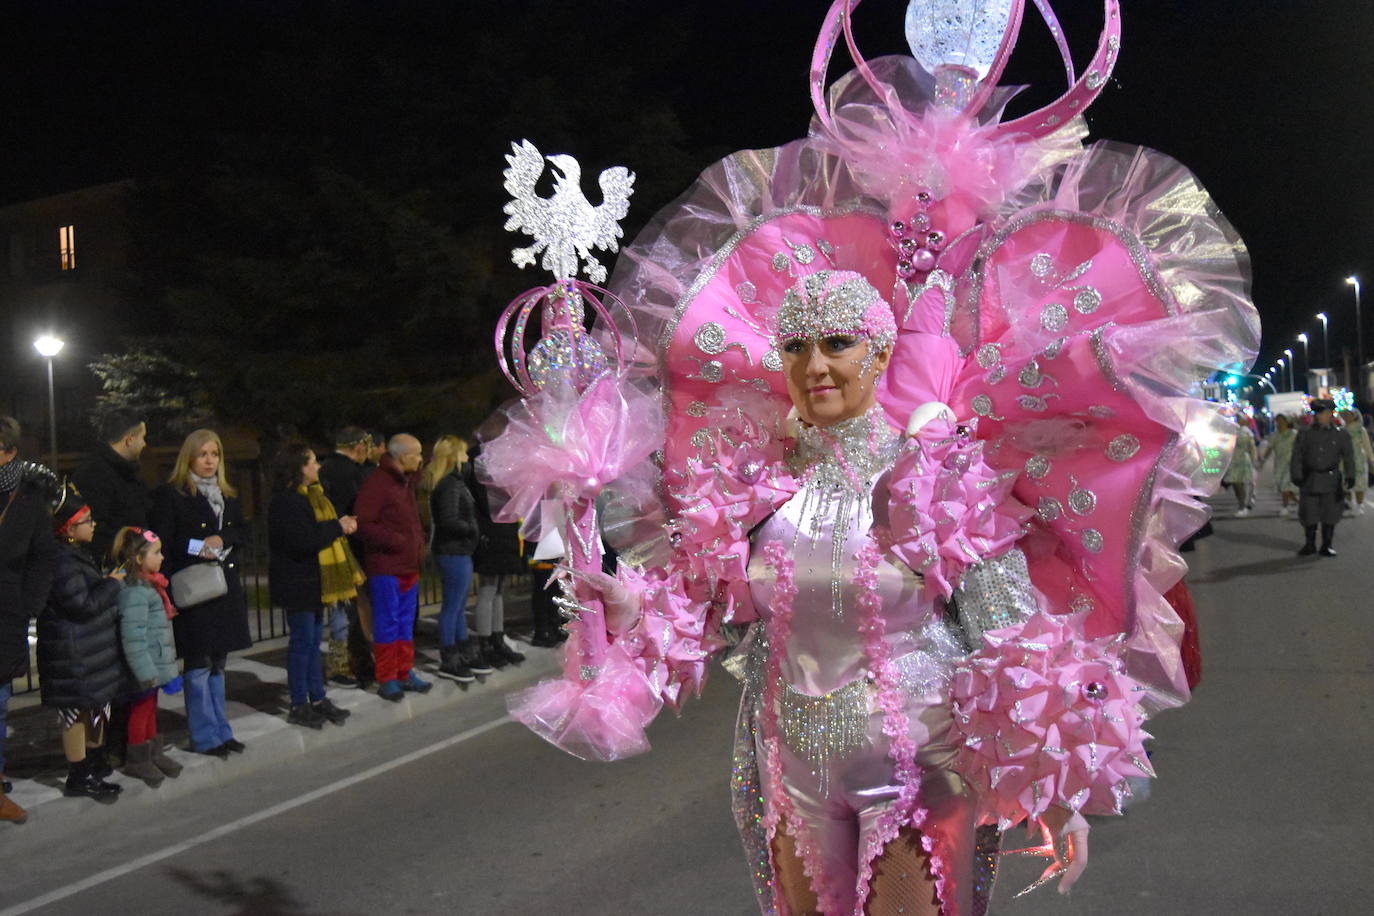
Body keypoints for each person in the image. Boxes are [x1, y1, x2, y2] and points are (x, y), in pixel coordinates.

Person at [492, 3, 1259, 911]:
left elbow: (1014, 631)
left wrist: (1062, 773)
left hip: (919, 766)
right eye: (799, 348)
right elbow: (704, 613)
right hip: (786, 762)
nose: (816, 366)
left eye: (839, 345)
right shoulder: (757, 484)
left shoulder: (939, 476)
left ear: (880, 350)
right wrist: (623, 605)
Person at [151, 429, 251, 756]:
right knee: (198, 664)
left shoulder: (227, 493)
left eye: (215, 454)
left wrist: (224, 541)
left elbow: (243, 530)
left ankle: (223, 731)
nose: (210, 461)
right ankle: (204, 736)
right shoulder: (173, 494)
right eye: (203, 454)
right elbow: (165, 541)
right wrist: (200, 547)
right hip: (196, 590)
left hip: (225, 589)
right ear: (189, 458)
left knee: (219, 663)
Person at [37, 485, 125, 800]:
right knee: (76, 714)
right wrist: (111, 585)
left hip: (88, 651)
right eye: (87, 520)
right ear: (70, 527)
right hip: (72, 654)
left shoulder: (74, 553)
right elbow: (81, 604)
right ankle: (79, 775)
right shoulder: (62, 560)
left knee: (93, 710)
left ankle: (93, 766)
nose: (94, 524)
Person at [268, 445, 359, 727]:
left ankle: (317, 698)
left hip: (314, 582)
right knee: (302, 644)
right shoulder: (287, 501)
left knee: (312, 642)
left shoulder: (310, 496)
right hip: (298, 583)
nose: (317, 466)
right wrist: (337, 526)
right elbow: (303, 541)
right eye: (312, 462)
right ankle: (299, 703)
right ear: (299, 468)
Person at [0, 417, 58, 825]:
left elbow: (43, 558)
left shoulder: (27, 500)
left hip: (6, 609)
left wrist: (28, 604)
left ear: (9, 452)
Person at [355, 433, 432, 701]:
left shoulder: (405, 482)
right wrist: (396, 541)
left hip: (407, 564)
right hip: (387, 566)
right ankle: (387, 677)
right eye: (418, 454)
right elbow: (364, 524)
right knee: (387, 623)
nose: (421, 459)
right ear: (402, 456)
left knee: (405, 622)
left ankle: (404, 671)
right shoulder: (379, 483)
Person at [111, 526, 183, 787]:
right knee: (141, 711)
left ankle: (153, 752)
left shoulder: (148, 587)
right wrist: (145, 673)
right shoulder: (135, 593)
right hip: (144, 668)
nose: (162, 557)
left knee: (150, 709)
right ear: (139, 558)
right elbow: (133, 638)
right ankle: (138, 758)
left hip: (152, 665)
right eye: (157, 552)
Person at [424, 435, 490, 683]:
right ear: (453, 457)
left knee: (459, 606)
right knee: (452, 607)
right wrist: (472, 529)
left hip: (459, 550)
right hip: (453, 551)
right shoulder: (450, 484)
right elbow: (449, 520)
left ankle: (463, 650)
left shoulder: (453, 482)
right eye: (463, 454)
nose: (467, 458)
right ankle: (449, 657)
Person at [318, 425, 375, 689]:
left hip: (328, 544)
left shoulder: (324, 469)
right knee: (353, 608)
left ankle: (339, 661)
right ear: (360, 447)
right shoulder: (355, 473)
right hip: (351, 545)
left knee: (338, 607)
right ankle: (351, 661)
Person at [467, 450, 526, 670]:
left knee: (498, 589)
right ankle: (486, 642)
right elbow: (488, 503)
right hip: (492, 534)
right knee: (488, 589)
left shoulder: (496, 475)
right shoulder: (481, 472)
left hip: (503, 532)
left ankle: (497, 638)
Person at [71, 409, 151, 565]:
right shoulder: (94, 474)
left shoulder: (127, 472)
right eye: (143, 437)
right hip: (116, 569)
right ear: (129, 440)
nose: (145, 444)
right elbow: (96, 530)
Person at [1291, 399, 1355, 556]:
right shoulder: (1305, 433)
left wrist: (1350, 475)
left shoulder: (1341, 434)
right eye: (1320, 413)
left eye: (1326, 413)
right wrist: (1296, 475)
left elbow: (1348, 457)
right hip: (1310, 478)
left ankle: (1327, 544)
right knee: (1309, 513)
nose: (1323, 416)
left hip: (1331, 479)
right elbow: (1297, 456)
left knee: (1330, 513)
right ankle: (1310, 544)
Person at [1259, 415, 1299, 517]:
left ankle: (1284, 507)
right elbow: (1269, 448)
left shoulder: (1293, 434)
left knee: (1285, 486)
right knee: (1283, 487)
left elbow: (1301, 448)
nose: (1279, 423)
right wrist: (1263, 460)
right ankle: (1299, 503)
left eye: (1282, 421)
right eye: (1277, 421)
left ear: (1287, 422)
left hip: (1290, 464)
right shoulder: (1275, 435)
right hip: (1279, 464)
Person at [1340, 409, 1374, 514]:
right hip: (1344, 461)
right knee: (1345, 484)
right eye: (1345, 415)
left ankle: (1359, 505)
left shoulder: (1361, 430)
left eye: (1349, 415)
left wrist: (1372, 460)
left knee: (1360, 484)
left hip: (1359, 460)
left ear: (1355, 416)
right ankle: (1350, 504)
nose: (1346, 417)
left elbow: (1367, 445)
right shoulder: (1342, 430)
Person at [1222, 423, 1257, 517]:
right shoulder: (1229, 433)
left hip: (1243, 461)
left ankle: (1243, 506)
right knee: (1235, 484)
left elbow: (1252, 447)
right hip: (1233, 461)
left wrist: (1254, 460)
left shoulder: (1247, 433)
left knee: (1240, 484)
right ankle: (1241, 503)